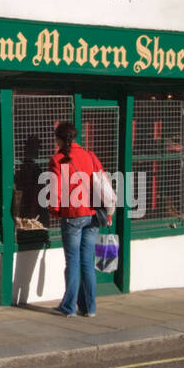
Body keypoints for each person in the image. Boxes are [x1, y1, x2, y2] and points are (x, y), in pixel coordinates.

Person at [47, 120, 109, 317]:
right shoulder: (90, 156)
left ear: (59, 139)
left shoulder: (58, 160)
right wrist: (107, 211)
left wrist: (55, 210)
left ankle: (68, 307)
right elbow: (103, 183)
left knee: (72, 261)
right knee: (87, 262)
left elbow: (55, 189)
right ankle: (89, 308)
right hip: (92, 214)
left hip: (72, 215)